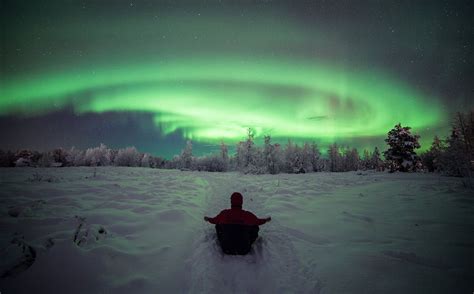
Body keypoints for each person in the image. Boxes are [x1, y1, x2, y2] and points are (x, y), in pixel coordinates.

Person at [204, 192, 271, 255]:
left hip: (226, 248)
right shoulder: (247, 215)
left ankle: (224, 239)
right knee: (254, 226)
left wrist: (208, 219)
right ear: (241, 202)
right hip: (244, 249)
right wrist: (266, 220)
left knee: (218, 224)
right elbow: (258, 222)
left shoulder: (225, 213)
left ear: (231, 202)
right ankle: (248, 240)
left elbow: (214, 220)